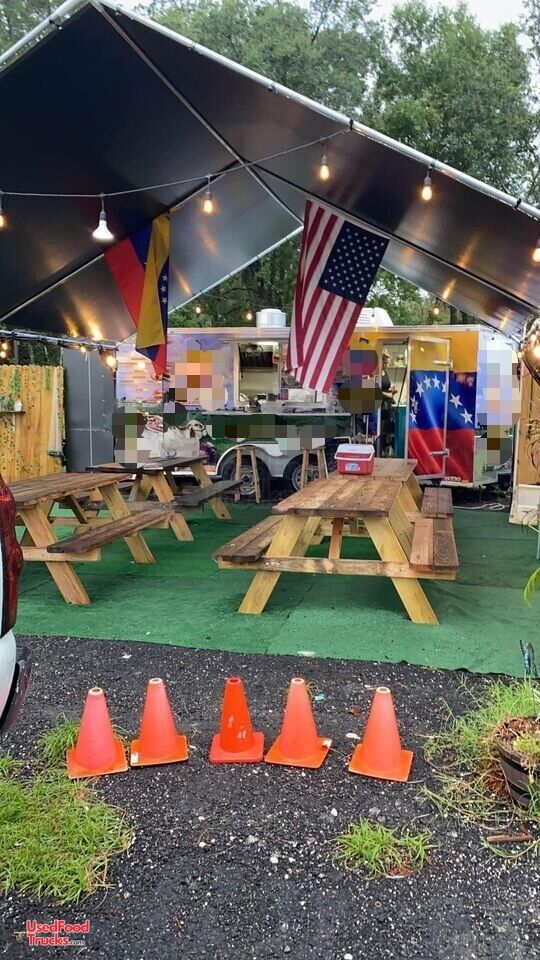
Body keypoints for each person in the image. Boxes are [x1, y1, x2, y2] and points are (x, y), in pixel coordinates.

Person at [380, 351, 396, 456]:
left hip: (387, 403)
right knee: (381, 429)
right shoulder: (376, 374)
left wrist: (391, 390)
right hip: (380, 405)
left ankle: (387, 448)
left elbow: (385, 387)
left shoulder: (385, 373)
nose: (386, 365)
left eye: (387, 363)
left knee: (389, 427)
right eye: (385, 363)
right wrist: (388, 395)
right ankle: (380, 449)